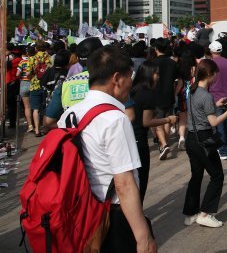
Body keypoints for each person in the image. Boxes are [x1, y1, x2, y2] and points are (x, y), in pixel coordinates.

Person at [57, 45, 156, 253]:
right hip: (112, 216)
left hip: (79, 211)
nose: (131, 83)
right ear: (117, 78)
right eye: (131, 76)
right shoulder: (115, 119)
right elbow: (124, 184)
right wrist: (143, 237)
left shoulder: (69, 115)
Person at [182, 59, 227, 228]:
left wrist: (216, 104)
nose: (216, 77)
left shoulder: (192, 90)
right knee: (217, 175)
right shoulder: (206, 95)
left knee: (196, 176)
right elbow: (213, 122)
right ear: (210, 75)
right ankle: (205, 213)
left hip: (192, 137)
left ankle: (190, 214)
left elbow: (200, 110)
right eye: (215, 74)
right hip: (204, 139)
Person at [126, 60, 178, 203]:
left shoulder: (133, 89)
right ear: (148, 74)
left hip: (129, 138)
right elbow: (147, 122)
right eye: (156, 73)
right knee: (141, 181)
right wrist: (168, 120)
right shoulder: (147, 94)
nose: (158, 76)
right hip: (139, 140)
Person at [44, 37, 104, 128]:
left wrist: (72, 126)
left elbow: (48, 121)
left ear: (78, 58)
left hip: (75, 138)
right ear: (102, 56)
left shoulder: (66, 84)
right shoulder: (110, 79)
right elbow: (129, 114)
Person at [153, 38, 182, 160]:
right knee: (167, 120)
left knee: (158, 120)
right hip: (169, 94)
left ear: (156, 49)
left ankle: (163, 144)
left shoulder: (152, 62)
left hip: (156, 96)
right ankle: (164, 144)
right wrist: (175, 93)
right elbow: (180, 81)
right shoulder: (173, 63)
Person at [208, 40, 227, 160]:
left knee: (218, 124)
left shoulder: (209, 64)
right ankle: (222, 146)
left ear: (211, 51)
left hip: (215, 97)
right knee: (226, 122)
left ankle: (222, 149)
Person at [27, 41, 51, 137]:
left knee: (35, 109)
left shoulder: (32, 58)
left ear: (36, 48)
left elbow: (28, 74)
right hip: (46, 85)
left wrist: (32, 76)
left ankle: (37, 129)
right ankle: (45, 128)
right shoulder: (48, 58)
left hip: (35, 85)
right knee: (45, 108)